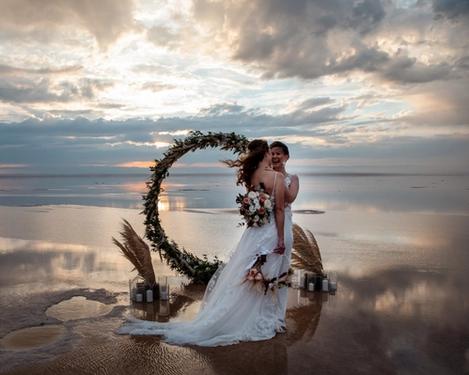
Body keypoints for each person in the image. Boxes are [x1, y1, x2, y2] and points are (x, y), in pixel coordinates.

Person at [117, 139, 293, 346]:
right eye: (269, 152)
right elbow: (280, 210)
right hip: (270, 232)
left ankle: (247, 314)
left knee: (249, 273)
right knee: (267, 274)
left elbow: (256, 202)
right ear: (265, 154)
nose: (272, 156)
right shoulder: (277, 177)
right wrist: (281, 238)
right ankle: (259, 317)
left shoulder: (253, 177)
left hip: (254, 233)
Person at [270, 141, 300, 332]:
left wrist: (279, 180)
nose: (275, 156)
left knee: (282, 271)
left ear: (287, 157)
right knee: (263, 271)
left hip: (285, 225)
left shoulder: (293, 178)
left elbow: (290, 198)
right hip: (266, 226)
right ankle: (261, 312)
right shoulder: (264, 176)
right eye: (272, 153)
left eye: (278, 153)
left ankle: (279, 316)